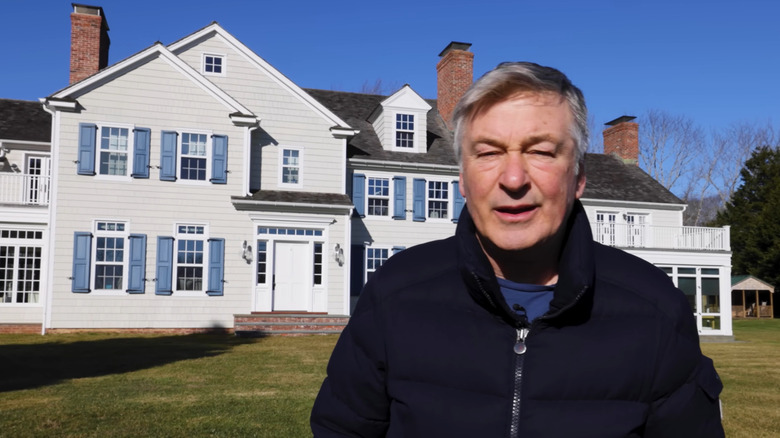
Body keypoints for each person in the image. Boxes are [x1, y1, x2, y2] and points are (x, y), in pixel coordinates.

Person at [311, 62, 724, 437]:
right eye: (488, 153)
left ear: (578, 177)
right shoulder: (394, 293)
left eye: (541, 152)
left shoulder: (654, 309)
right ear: (462, 179)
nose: (512, 178)